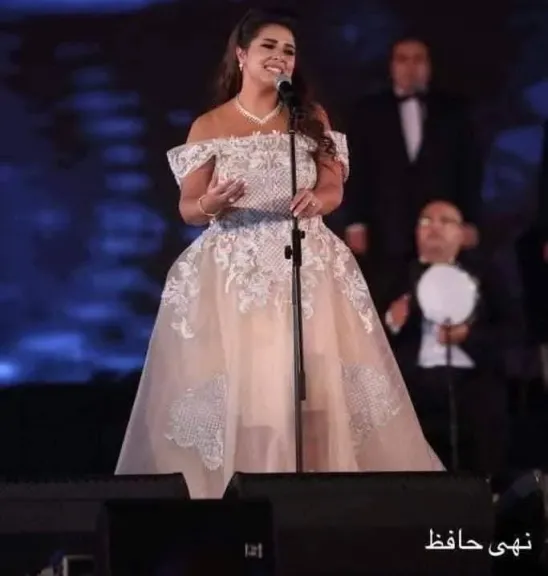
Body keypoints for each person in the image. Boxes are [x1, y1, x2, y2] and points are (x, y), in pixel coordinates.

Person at [115, 8, 443, 499]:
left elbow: (333, 186)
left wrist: (319, 201)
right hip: (238, 275)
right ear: (241, 55)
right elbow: (188, 206)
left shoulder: (309, 117)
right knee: (257, 396)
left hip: (308, 265)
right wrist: (211, 203)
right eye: (268, 46)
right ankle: (252, 502)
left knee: (315, 391)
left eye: (288, 50)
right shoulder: (210, 124)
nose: (280, 57)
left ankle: (320, 503)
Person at [343, 35, 483, 307]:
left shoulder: (454, 111)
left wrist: (470, 221)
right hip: (386, 228)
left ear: (429, 65)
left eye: (418, 59)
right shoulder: (367, 112)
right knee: (387, 301)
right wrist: (355, 221)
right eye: (403, 59)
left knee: (442, 301)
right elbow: (357, 170)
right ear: (392, 66)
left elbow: (470, 169)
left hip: (442, 229)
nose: (411, 67)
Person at [381, 200, 511, 473]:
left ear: (463, 234)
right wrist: (392, 321)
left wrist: (468, 335)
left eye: (445, 221)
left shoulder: (487, 274)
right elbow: (365, 336)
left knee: (485, 409)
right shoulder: (394, 275)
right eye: (426, 221)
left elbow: (512, 331)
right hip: (412, 381)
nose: (434, 227)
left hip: (472, 379)